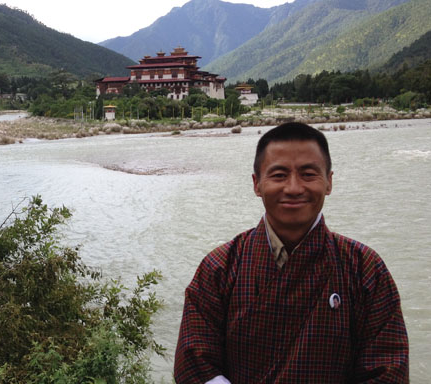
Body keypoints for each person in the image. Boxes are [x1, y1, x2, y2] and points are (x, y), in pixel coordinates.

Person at [174, 122, 409, 383]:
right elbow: (194, 362)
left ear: (329, 182)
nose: (294, 188)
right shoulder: (219, 267)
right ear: (257, 184)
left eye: (308, 174)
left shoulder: (365, 269)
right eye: (279, 175)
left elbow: (388, 370)